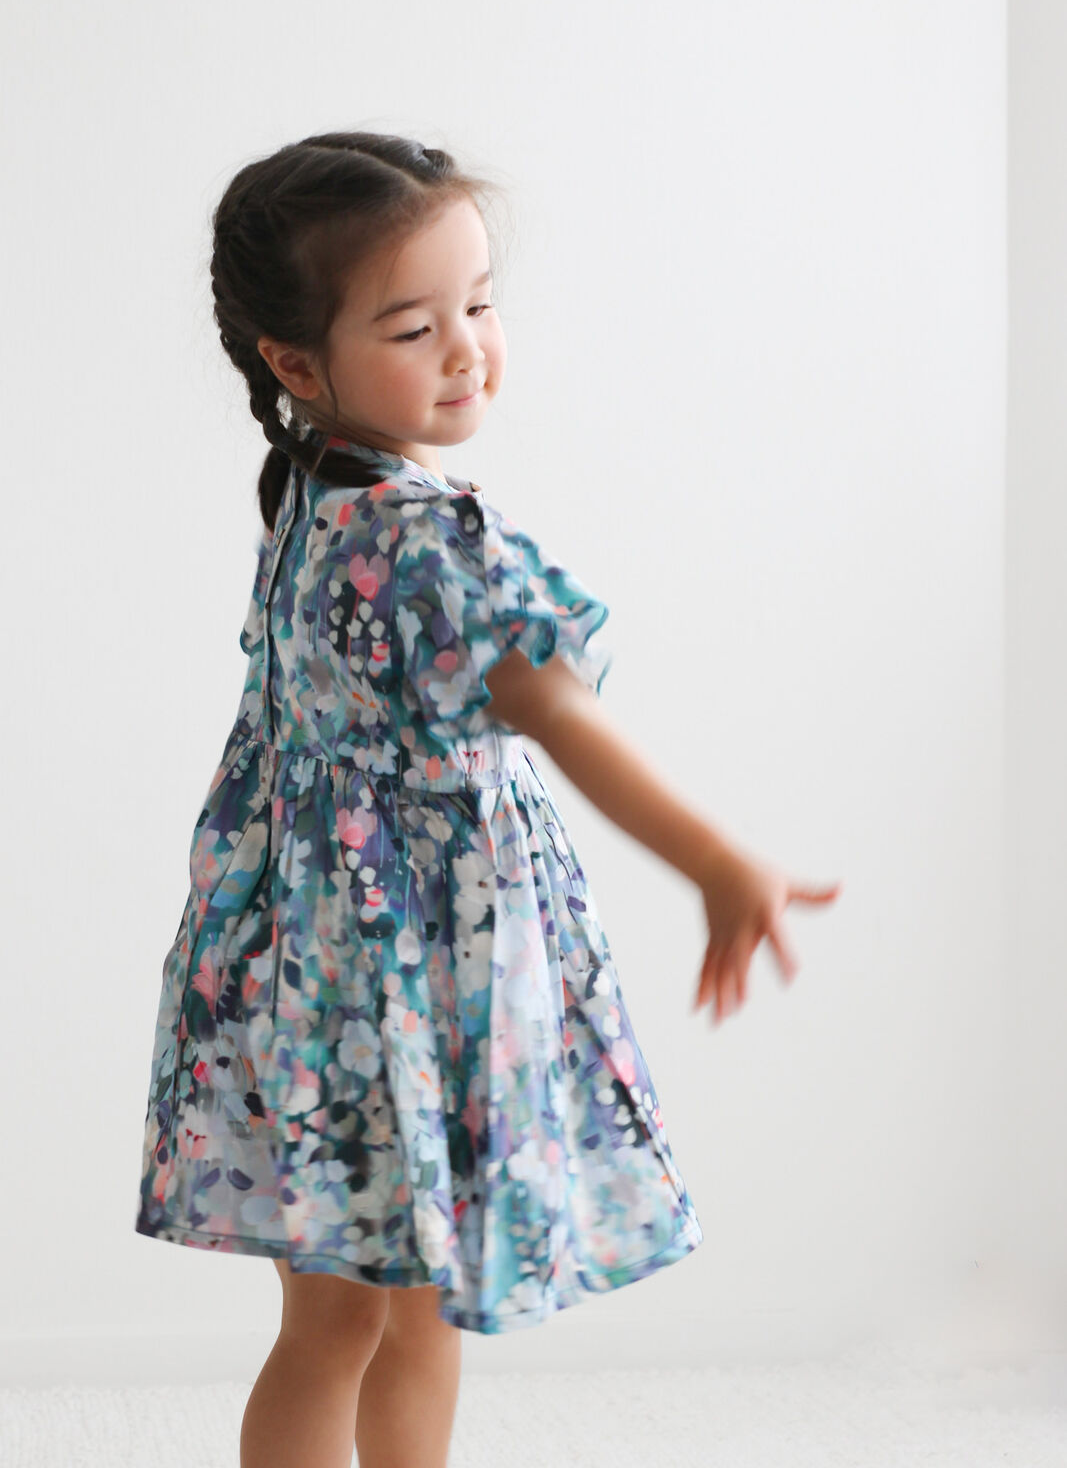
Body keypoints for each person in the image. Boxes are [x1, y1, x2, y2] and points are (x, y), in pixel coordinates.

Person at [134, 130, 842, 1468]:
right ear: (297, 361)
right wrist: (716, 861)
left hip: (308, 974)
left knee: (366, 1323)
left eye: (479, 302)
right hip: (399, 985)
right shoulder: (419, 535)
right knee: (365, 1328)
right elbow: (558, 713)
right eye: (413, 325)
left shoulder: (316, 495)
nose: (467, 348)